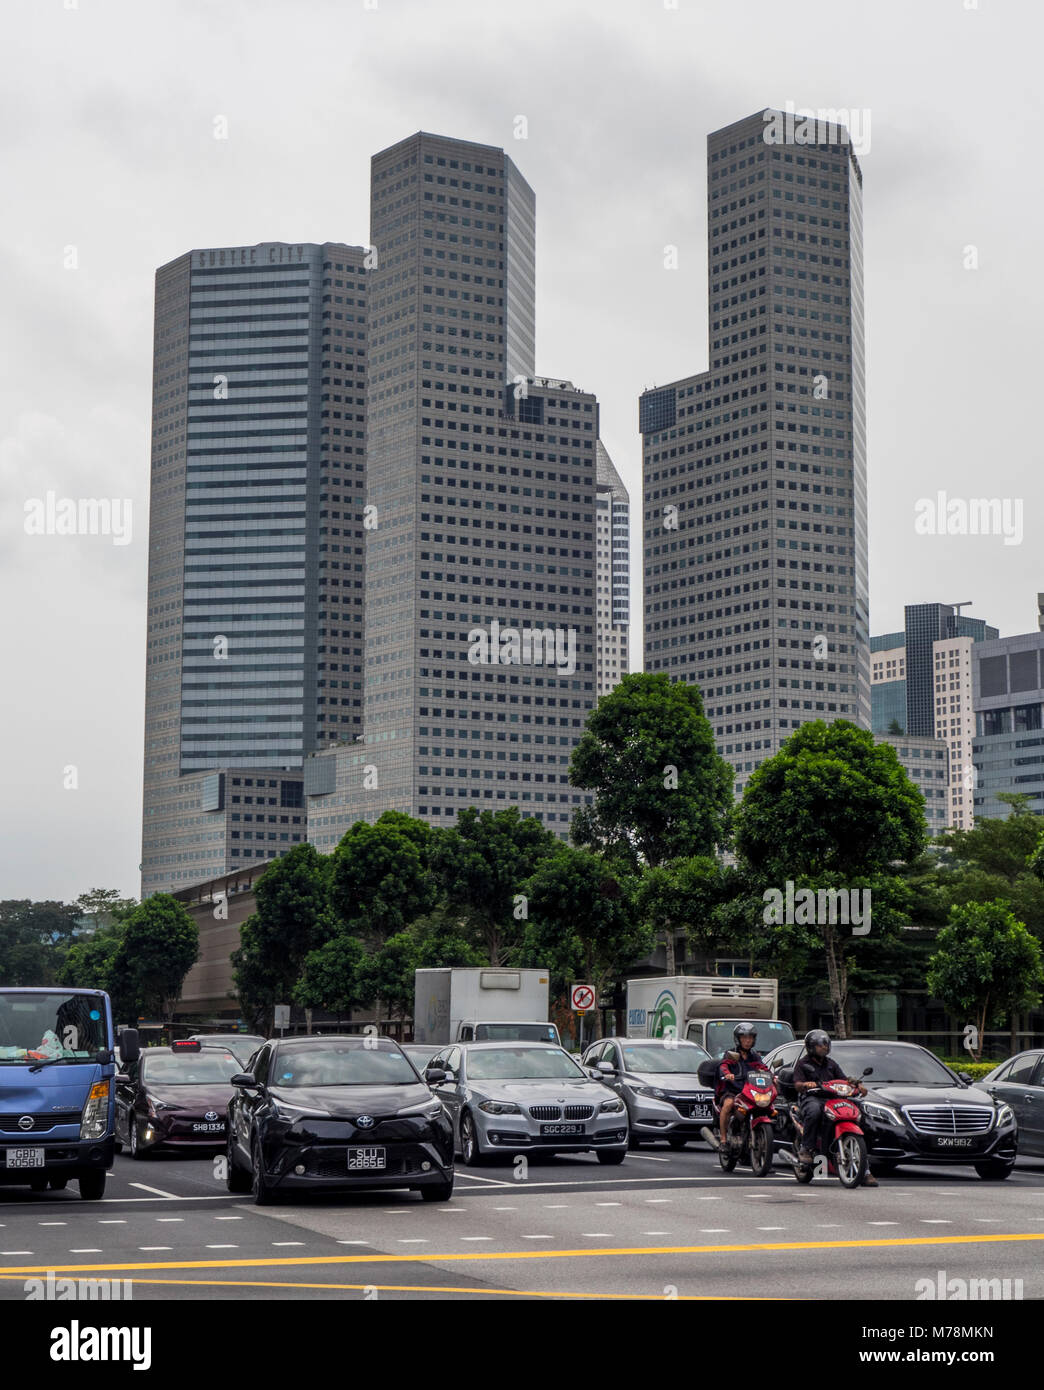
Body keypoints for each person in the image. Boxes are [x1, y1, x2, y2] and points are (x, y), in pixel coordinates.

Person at [792, 1029, 877, 1187]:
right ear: (811, 1047)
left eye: (826, 1044)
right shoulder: (803, 1064)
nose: (824, 1047)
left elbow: (844, 1079)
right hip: (812, 1098)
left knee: (858, 1111)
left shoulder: (831, 1064)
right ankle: (807, 1148)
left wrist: (857, 1085)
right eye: (820, 1045)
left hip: (833, 1098)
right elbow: (797, 1083)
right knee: (815, 1111)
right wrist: (805, 1084)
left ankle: (864, 1169)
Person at [716, 1023, 767, 1148]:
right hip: (733, 1090)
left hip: (749, 1091)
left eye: (750, 1038)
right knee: (728, 1104)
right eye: (744, 1038)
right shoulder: (731, 1054)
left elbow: (763, 1068)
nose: (747, 1041)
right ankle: (723, 1140)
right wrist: (728, 1074)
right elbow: (723, 1066)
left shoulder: (755, 1056)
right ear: (738, 1039)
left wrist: (772, 1076)